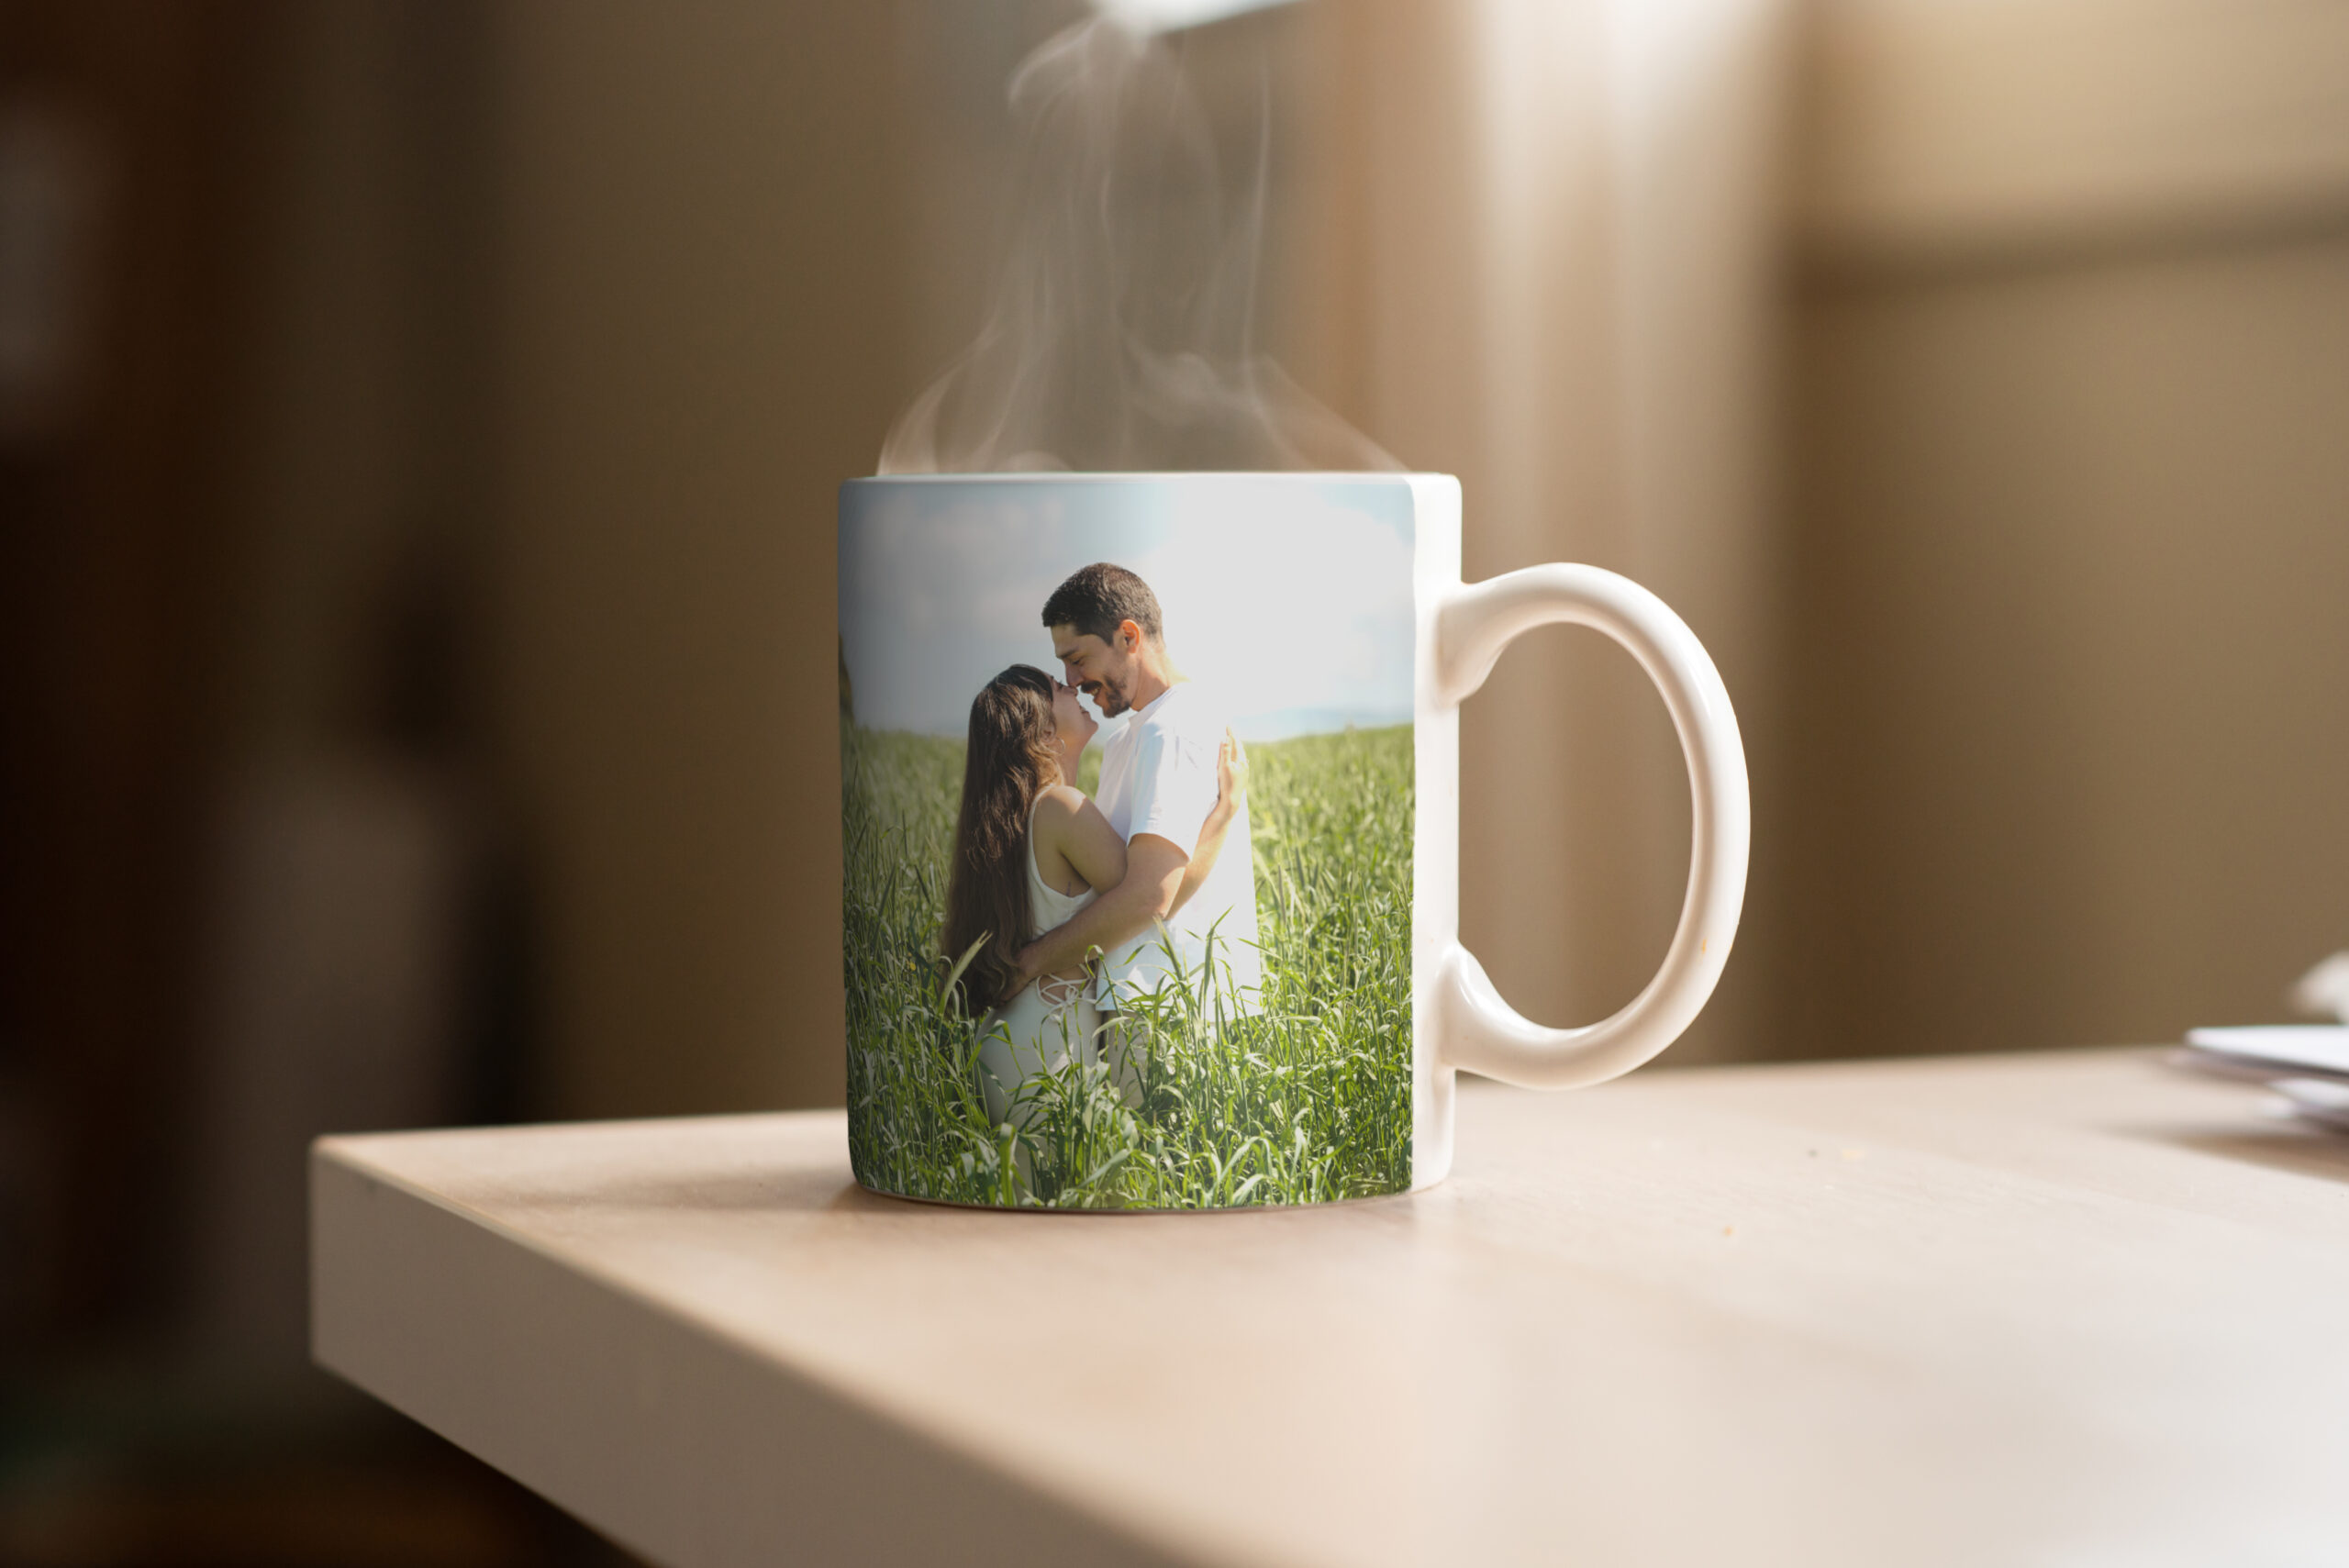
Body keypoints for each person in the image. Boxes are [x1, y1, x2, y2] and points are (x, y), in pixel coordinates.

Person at [940, 664, 1245, 1132]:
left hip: (1016, 1037)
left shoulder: (1020, 817)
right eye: (1058, 689)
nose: (1073, 685)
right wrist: (1223, 814)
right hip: (1045, 1049)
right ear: (1039, 727)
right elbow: (1151, 900)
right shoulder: (1062, 807)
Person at [1008, 563, 1263, 1025]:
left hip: (1169, 1006)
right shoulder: (1131, 738)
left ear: (1128, 636)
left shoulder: (1174, 729)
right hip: (1138, 1001)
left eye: (1078, 658)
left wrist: (1028, 964)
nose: (1069, 679)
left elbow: (1150, 897)